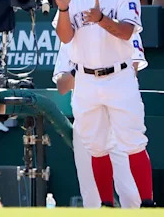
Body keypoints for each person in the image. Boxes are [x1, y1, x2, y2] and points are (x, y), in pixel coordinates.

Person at [51, 0, 154, 208]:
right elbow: (64, 36)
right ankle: (106, 205)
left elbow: (126, 31)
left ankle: (148, 203)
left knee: (133, 142)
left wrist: (101, 19)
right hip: (86, 78)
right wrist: (63, 7)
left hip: (119, 75)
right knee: (96, 147)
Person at [52, 35, 147, 208]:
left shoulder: (121, 22)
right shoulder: (73, 30)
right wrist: (85, 70)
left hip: (118, 122)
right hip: (87, 122)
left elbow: (132, 68)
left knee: (132, 195)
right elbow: (62, 85)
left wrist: (103, 68)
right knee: (92, 198)